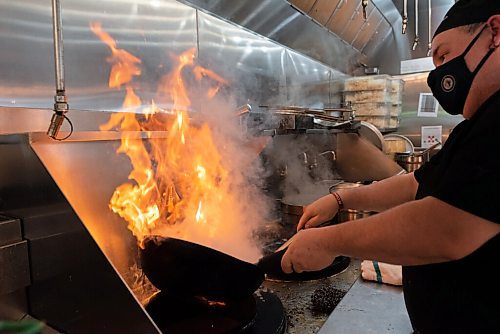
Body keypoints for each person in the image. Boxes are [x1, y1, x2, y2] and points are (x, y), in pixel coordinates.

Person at [281, 0, 500, 332]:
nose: (438, 72)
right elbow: (418, 183)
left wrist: (328, 241)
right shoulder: (478, 125)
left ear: (494, 32)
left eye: (443, 55)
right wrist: (341, 200)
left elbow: (446, 228)